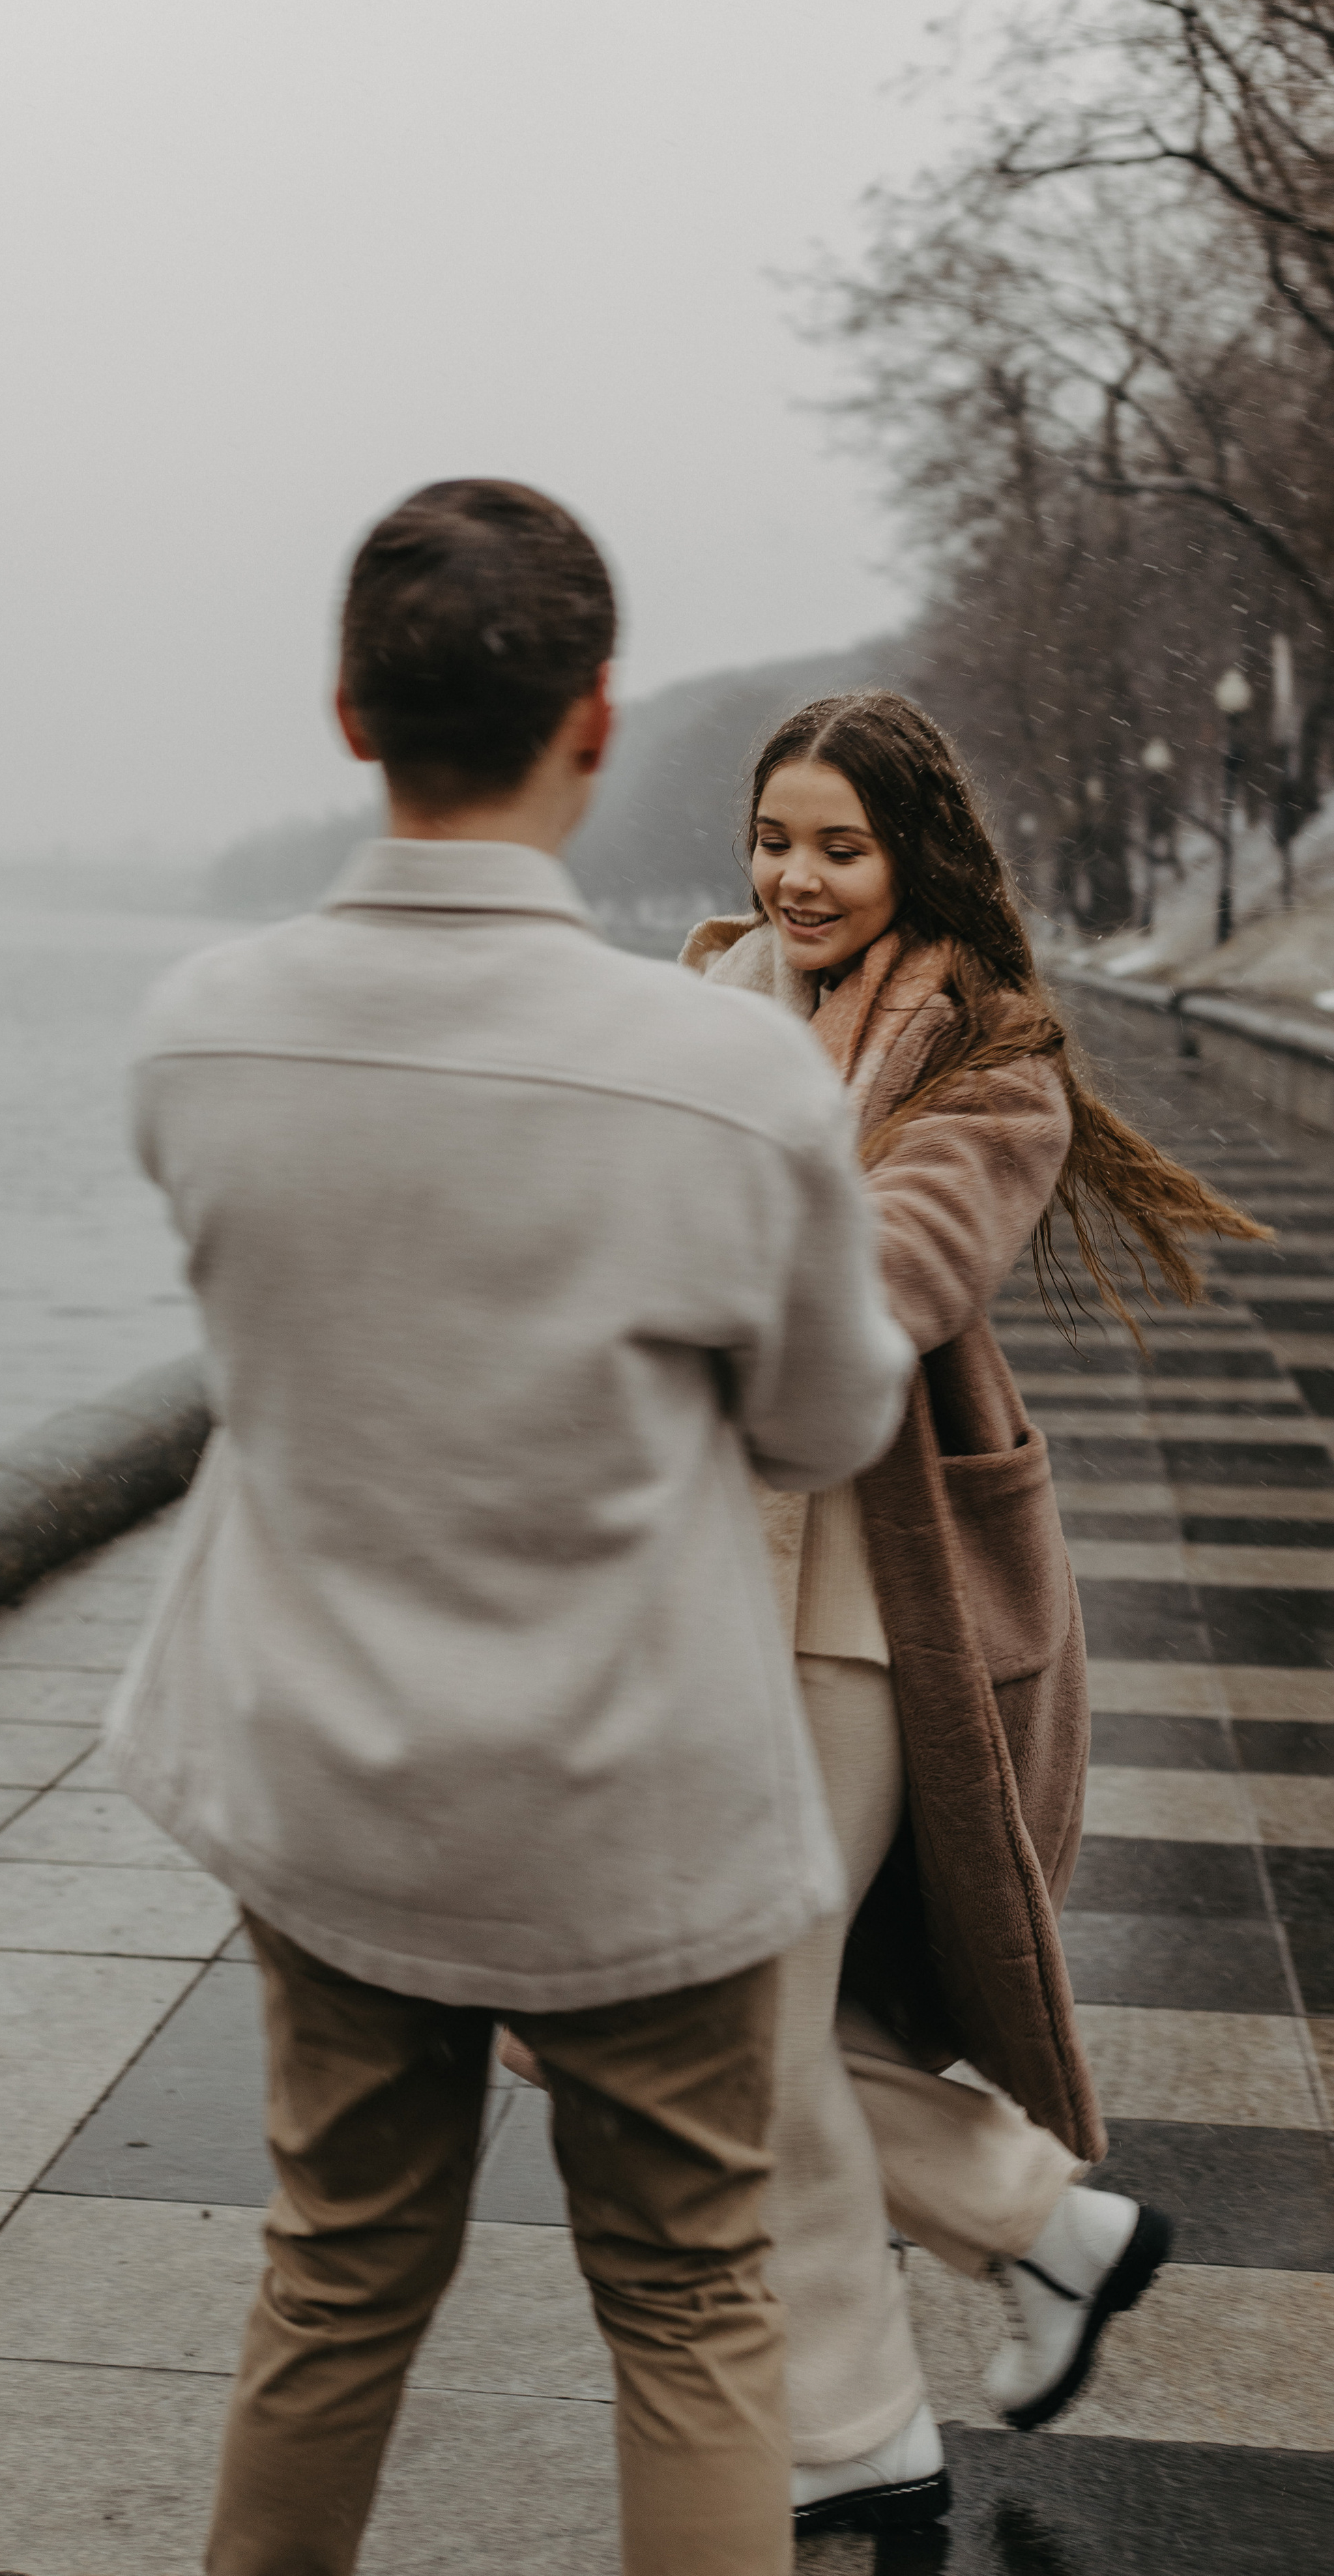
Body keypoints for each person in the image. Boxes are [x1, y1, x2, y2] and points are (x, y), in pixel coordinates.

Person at [107, 482, 915, 2576]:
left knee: (339, 2277)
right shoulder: (732, 1076)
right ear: (597, 717)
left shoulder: (199, 1031)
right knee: (691, 2302)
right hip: (627, 1798)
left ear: (350, 714)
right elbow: (832, 1420)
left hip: (331, 1780)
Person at [678, 690, 1264, 2534]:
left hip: (871, 1602)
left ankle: (864, 2430)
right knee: (767, 2014)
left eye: (840, 845)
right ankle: (1045, 2234)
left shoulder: (989, 1061)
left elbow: (898, 1273)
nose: (798, 877)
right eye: (776, 838)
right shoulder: (697, 1004)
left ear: (912, 851)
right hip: (705, 1593)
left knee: (746, 2010)